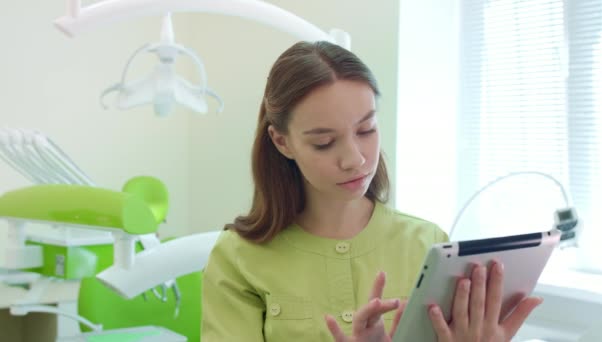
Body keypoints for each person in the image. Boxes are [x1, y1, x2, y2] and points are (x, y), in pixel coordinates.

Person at [201, 41, 542, 342]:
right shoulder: (238, 260)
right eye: (324, 142)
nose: (355, 158)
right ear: (282, 142)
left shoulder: (429, 245)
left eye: (366, 129)